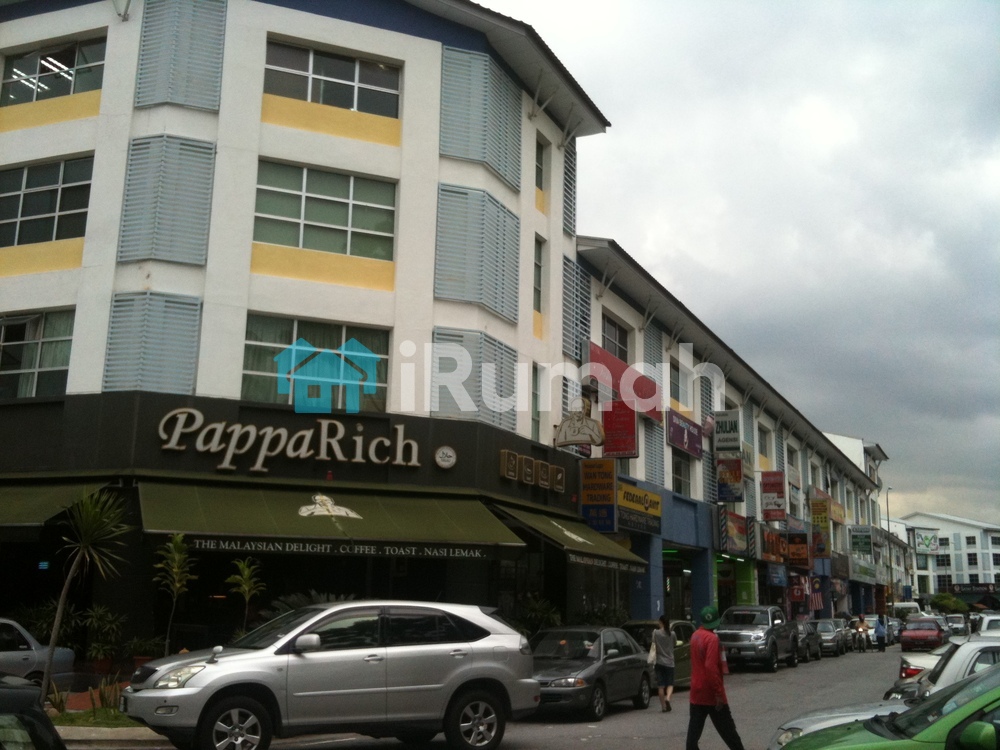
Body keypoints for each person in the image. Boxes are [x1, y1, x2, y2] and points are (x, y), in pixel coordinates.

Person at [687, 605, 746, 750]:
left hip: (696, 693)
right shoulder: (712, 639)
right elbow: (710, 667)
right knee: (731, 736)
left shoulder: (695, 636)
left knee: (692, 739)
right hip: (712, 694)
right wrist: (718, 693)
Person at [652, 614, 676, 712]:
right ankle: (668, 698)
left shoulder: (655, 633)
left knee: (660, 686)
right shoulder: (672, 634)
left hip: (659, 662)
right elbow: (674, 644)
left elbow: (653, 644)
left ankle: (663, 707)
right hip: (670, 662)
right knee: (670, 684)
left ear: (661, 622)